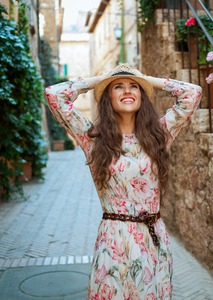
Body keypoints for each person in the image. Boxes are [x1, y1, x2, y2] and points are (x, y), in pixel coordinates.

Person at [44, 64, 202, 299]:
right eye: (118, 87)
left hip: (153, 240)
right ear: (108, 97)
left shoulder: (159, 134)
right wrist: (100, 79)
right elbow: (54, 95)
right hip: (114, 243)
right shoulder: (93, 138)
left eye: (134, 87)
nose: (127, 91)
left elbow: (193, 93)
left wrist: (145, 78)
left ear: (141, 96)